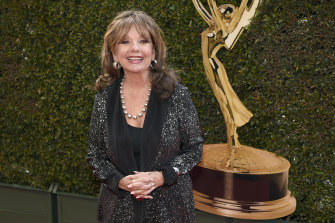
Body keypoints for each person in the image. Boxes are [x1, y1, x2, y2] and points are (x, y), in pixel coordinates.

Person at [86, 10, 203, 223]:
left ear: (154, 49)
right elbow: (95, 155)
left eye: (143, 41)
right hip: (118, 211)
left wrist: (162, 177)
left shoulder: (177, 95)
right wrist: (121, 181)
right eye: (124, 42)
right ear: (114, 53)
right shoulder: (104, 99)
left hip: (171, 211)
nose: (135, 49)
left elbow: (194, 149)